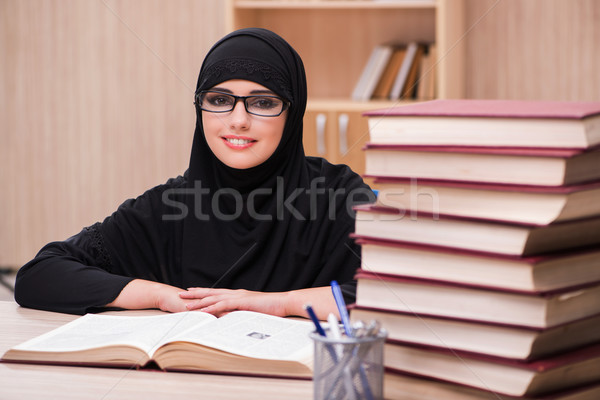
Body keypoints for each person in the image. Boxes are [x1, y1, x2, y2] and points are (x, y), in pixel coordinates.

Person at [14, 28, 374, 319]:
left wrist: (275, 303)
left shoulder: (337, 195)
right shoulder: (171, 206)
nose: (238, 120)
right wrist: (159, 296)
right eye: (219, 100)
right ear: (199, 108)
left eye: (263, 102)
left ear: (292, 115)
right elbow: (39, 276)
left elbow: (404, 298)